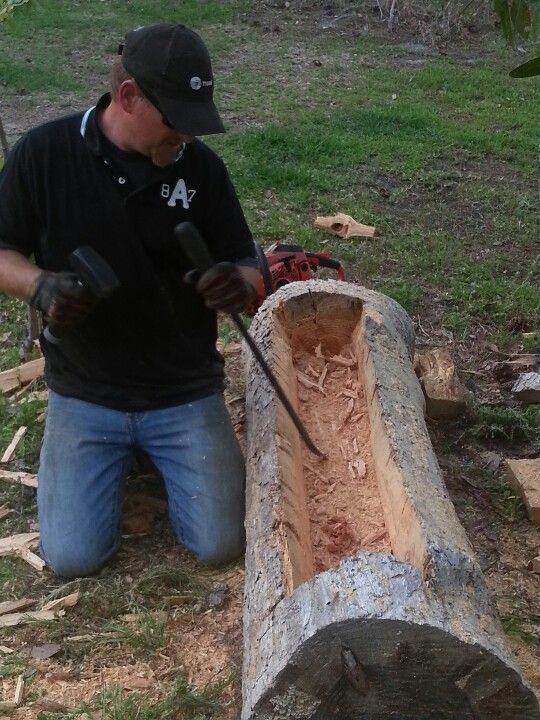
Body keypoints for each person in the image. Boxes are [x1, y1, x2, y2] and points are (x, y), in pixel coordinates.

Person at [0, 23, 261, 578]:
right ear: (127, 98)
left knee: (221, 543)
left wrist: (237, 286)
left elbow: (250, 266)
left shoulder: (203, 171)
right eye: (175, 122)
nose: (186, 138)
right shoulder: (45, 154)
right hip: (86, 391)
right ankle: (120, 454)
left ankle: (151, 451)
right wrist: (39, 285)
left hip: (182, 388)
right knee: (71, 558)